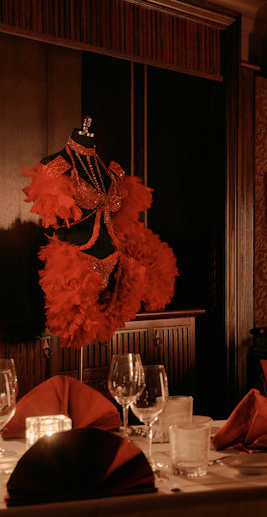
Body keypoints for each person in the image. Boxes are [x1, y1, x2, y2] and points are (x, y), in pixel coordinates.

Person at [21, 118, 177, 348]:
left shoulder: (110, 171)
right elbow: (53, 218)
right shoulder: (56, 165)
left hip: (115, 265)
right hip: (76, 264)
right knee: (78, 331)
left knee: (104, 331)